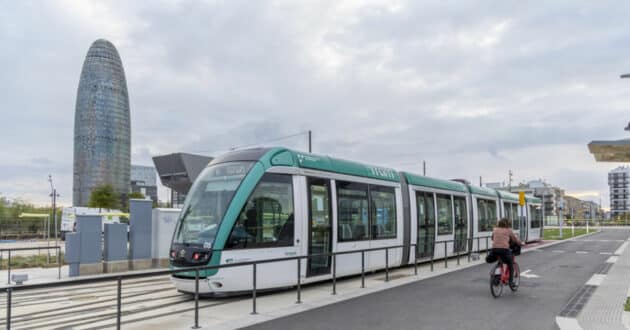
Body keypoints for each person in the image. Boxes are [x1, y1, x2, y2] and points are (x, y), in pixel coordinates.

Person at [491, 218, 524, 286]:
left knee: (500, 261)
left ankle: (496, 277)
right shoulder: (509, 230)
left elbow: (492, 238)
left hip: (494, 250)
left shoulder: (495, 229)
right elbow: (515, 240)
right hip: (504, 250)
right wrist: (520, 243)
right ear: (508, 223)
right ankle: (511, 282)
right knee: (510, 264)